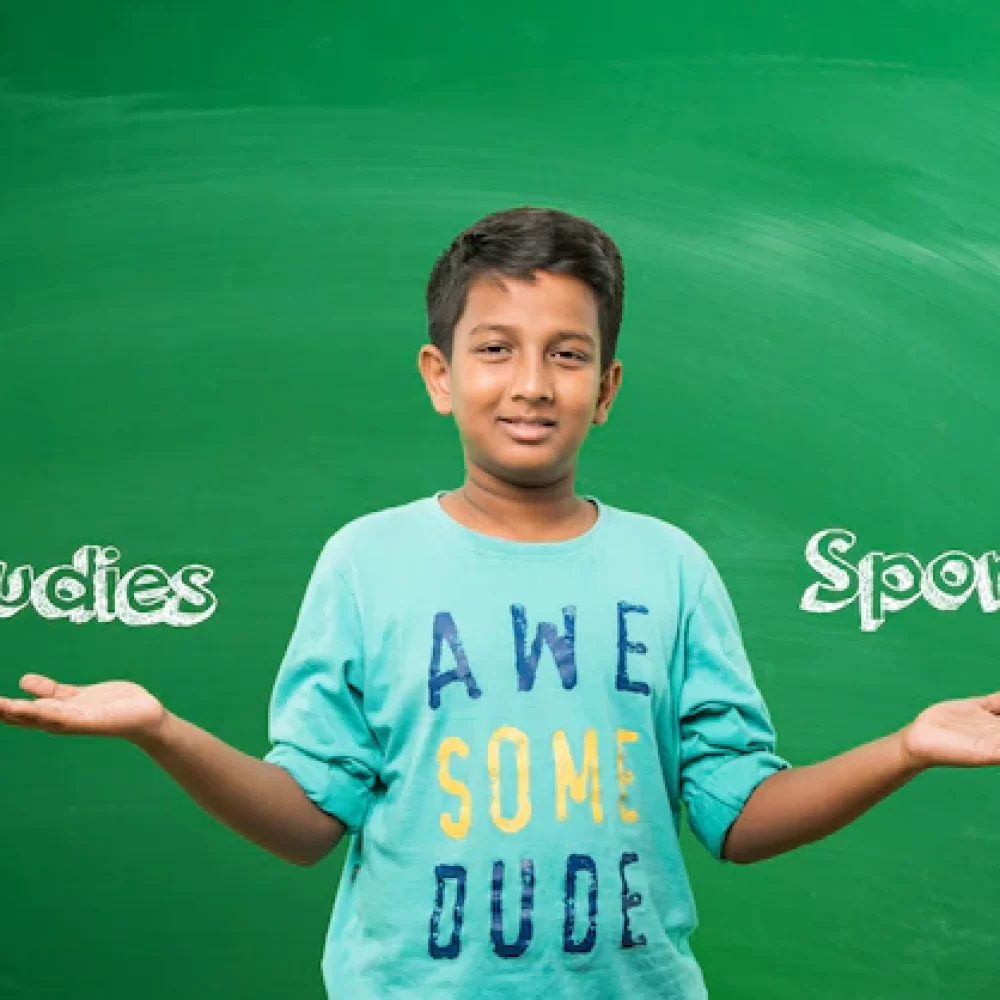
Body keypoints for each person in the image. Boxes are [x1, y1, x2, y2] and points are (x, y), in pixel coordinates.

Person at [3, 206, 1000, 999]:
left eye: (566, 354)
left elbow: (736, 818)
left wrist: (904, 747)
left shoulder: (672, 568)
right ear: (439, 375)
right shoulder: (366, 561)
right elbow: (308, 821)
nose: (531, 383)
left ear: (605, 388)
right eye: (494, 348)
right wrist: (162, 729)